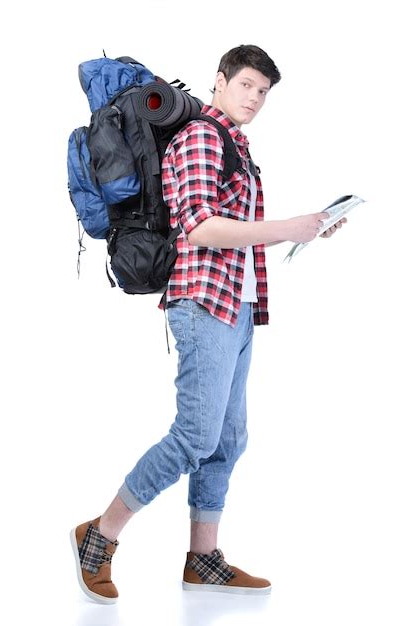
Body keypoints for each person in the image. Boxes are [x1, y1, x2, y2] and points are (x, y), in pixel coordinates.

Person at [70, 44, 347, 604]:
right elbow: (197, 227)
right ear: (220, 81)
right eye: (246, 84)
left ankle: (203, 557)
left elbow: (235, 227)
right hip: (203, 304)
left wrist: (307, 228)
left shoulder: (237, 146)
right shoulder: (202, 137)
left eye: (263, 91)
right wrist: (283, 227)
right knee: (194, 436)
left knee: (228, 437)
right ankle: (99, 536)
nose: (254, 98)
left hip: (237, 305)